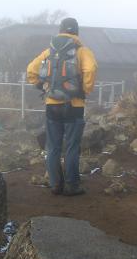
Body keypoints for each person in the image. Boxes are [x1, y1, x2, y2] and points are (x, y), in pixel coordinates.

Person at [26, 18, 97, 196]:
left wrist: (39, 85)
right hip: (74, 105)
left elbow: (31, 70)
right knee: (72, 147)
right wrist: (85, 90)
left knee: (53, 147)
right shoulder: (82, 51)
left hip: (52, 105)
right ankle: (72, 185)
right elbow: (91, 69)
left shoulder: (49, 51)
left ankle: (55, 184)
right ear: (77, 32)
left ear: (60, 30)